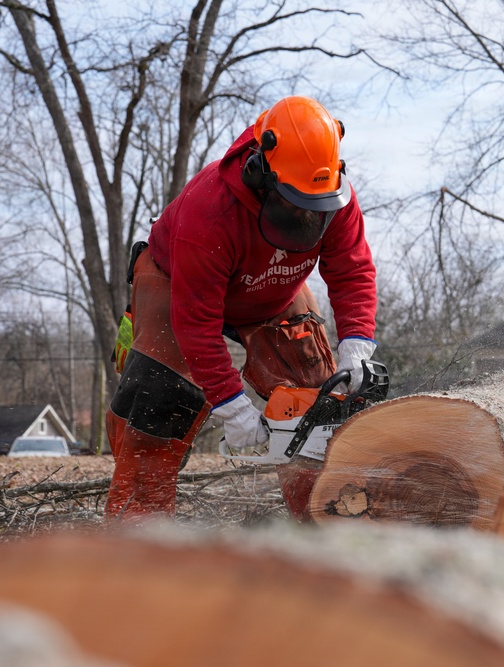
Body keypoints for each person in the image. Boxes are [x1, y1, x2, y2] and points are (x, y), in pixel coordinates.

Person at [105, 96, 378, 522]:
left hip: (271, 288)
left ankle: (326, 520)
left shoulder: (332, 197)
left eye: (314, 208)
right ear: (260, 173)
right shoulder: (209, 212)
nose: (306, 216)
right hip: (176, 282)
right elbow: (196, 324)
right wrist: (230, 403)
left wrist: (357, 342)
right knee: (160, 401)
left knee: (318, 401)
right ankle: (138, 532)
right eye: (293, 204)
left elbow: (353, 270)